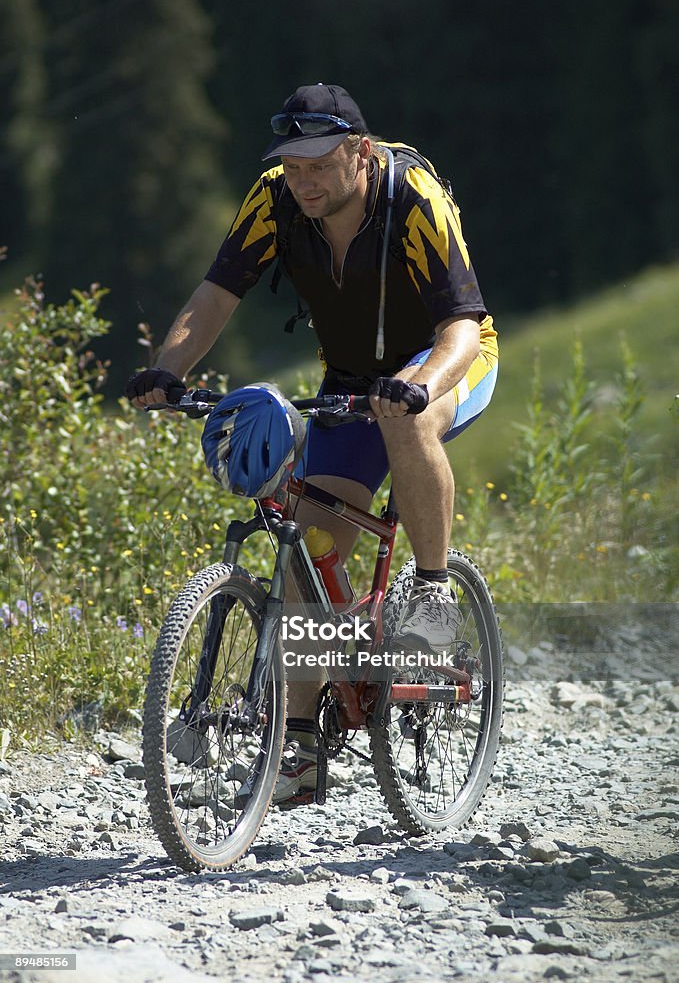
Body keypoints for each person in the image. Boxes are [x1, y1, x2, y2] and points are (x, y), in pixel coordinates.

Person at [127, 83, 499, 806]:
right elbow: (216, 294)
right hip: (352, 376)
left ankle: (426, 596)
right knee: (305, 554)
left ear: (360, 153)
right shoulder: (273, 200)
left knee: (407, 422)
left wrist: (418, 388)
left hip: (449, 358)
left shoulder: (412, 198)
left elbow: (461, 323)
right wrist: (168, 372)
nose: (303, 183)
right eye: (292, 168)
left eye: (319, 166)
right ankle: (298, 744)